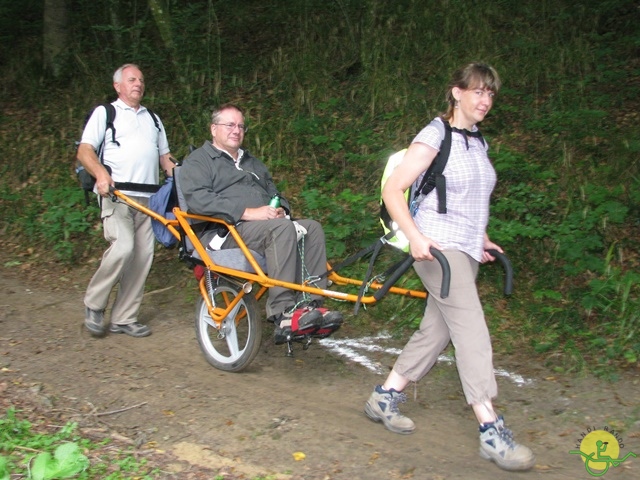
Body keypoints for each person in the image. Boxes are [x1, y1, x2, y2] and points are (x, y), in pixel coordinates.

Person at [364, 63, 536, 472]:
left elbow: (470, 199)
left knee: (436, 331)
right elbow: (393, 189)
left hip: (466, 250)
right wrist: (417, 237)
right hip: (438, 252)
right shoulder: (433, 135)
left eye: (491, 94)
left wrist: (482, 238)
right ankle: (490, 428)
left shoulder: (478, 142)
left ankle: (384, 396)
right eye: (478, 91)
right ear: (456, 92)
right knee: (471, 329)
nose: (485, 100)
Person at [180, 103, 342, 344]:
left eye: (241, 126)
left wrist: (282, 210)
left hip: (263, 228)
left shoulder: (252, 162)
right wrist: (247, 212)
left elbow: (275, 193)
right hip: (222, 232)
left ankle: (309, 306)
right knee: (282, 230)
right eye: (230, 125)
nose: (237, 130)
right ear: (214, 129)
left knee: (312, 228)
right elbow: (199, 200)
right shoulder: (199, 161)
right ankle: (283, 312)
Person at [77, 63, 175, 338]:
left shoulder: (153, 119)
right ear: (117, 85)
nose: (138, 84)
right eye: (132, 79)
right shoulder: (105, 113)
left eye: (142, 80)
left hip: (150, 200)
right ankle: (95, 304)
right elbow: (85, 151)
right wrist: (100, 174)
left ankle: (124, 318)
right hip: (117, 195)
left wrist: (181, 178)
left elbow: (165, 158)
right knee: (123, 247)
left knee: (143, 257)